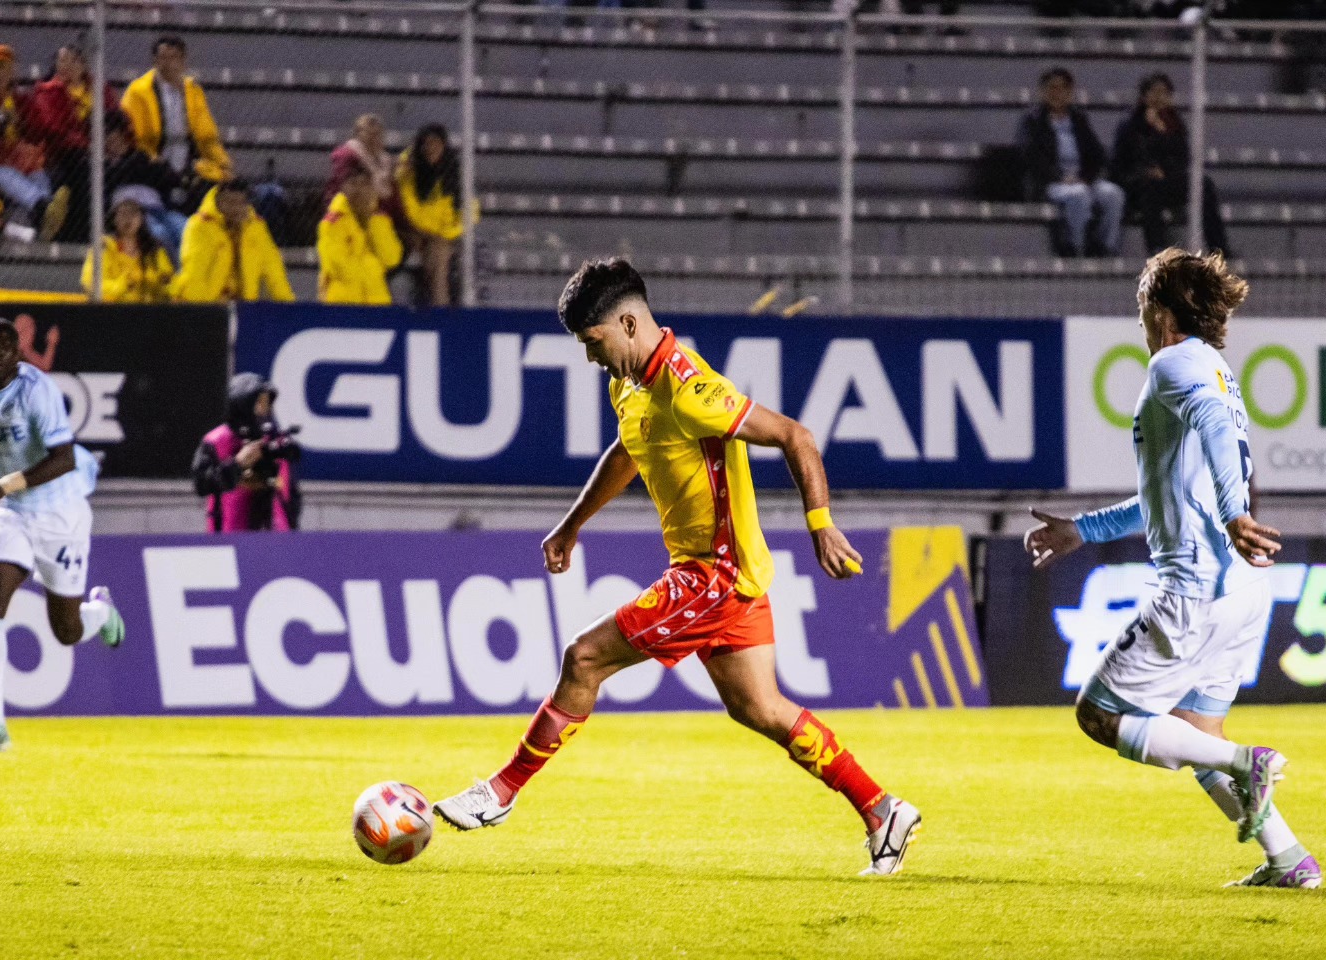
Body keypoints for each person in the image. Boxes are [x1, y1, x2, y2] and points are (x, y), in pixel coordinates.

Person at [434, 258, 921, 877]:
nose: (591, 359)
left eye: (593, 342)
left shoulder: (690, 389)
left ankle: (499, 793)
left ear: (629, 323)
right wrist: (573, 523)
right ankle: (883, 811)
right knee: (759, 707)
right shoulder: (629, 382)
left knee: (584, 658)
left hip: (713, 574)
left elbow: (796, 435)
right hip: (721, 575)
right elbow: (630, 452)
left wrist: (821, 527)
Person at [1024, 249, 1321, 890]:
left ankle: (1250, 761)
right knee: (1191, 732)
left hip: (1194, 590)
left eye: (1140, 308)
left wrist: (1237, 512)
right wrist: (1084, 529)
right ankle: (1289, 859)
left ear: (1160, 313)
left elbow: (1212, 429)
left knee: (1100, 713)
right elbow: (1168, 496)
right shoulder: (1214, 369)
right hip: (1242, 589)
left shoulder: (1172, 363)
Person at [0, 318, 125, 752]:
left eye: (7, 348)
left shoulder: (36, 390)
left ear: (17, 354)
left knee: (65, 629)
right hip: (12, 512)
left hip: (60, 513)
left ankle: (99, 613)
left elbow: (63, 458)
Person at [1112, 73, 1230, 257]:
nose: (1159, 98)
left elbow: (1182, 158)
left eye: (1164, 93)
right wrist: (1147, 168)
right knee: (1150, 187)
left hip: (1167, 181)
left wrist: (1161, 132)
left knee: (1203, 184)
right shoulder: (1130, 125)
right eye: (1155, 92)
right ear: (1144, 96)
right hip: (1139, 182)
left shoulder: (1175, 125)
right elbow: (1124, 162)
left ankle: (1219, 247)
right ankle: (1156, 248)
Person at [0, 44, 69, 241]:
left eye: (3, 67)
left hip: (20, 160)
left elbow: (38, 132)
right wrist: (7, 150)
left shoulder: (19, 99)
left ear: (12, 70)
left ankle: (45, 218)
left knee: (36, 171)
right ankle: (43, 207)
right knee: (2, 173)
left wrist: (20, 124)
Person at [1016, 67, 1125, 257]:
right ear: (1042, 91)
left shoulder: (1078, 119)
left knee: (1113, 194)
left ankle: (1103, 246)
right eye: (1052, 88)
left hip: (1080, 178)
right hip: (1049, 181)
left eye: (1062, 88)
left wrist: (1085, 178)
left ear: (1070, 92)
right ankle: (1075, 245)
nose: (1057, 93)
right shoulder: (1032, 121)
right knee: (1078, 195)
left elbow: (1097, 155)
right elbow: (1031, 157)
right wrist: (1060, 177)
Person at [120, 35, 231, 214]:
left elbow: (207, 135)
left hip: (189, 165)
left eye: (174, 57)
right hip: (153, 163)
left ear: (183, 61)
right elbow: (132, 138)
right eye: (163, 58)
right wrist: (157, 162)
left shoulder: (193, 91)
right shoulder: (138, 92)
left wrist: (224, 165)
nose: (169, 63)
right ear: (155, 60)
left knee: (219, 188)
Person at [30, 44, 118, 242]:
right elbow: (53, 128)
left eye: (73, 60)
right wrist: (88, 145)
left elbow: (115, 119)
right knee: (84, 168)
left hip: (98, 151)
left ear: (83, 64)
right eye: (62, 60)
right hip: (61, 155)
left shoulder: (99, 89)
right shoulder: (47, 91)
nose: (67, 65)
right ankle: (76, 234)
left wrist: (108, 144)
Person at [192, 373, 301, 532]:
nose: (265, 411)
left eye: (267, 404)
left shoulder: (276, 443)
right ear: (243, 406)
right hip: (227, 542)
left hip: (277, 543)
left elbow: (291, 497)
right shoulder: (215, 442)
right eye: (259, 404)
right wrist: (237, 464)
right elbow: (201, 485)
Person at [170, 179, 294, 303]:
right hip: (207, 304)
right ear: (218, 200)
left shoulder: (256, 226)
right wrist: (198, 313)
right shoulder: (200, 226)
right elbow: (195, 274)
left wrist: (289, 309)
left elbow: (274, 270)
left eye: (240, 203)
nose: (236, 209)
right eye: (230, 202)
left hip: (243, 308)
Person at [396, 124, 473, 307]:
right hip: (412, 231)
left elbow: (470, 211)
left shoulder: (453, 169)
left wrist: (447, 233)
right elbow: (409, 209)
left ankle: (439, 308)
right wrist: (432, 232)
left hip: (444, 235)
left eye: (436, 143)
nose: (431, 148)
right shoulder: (408, 169)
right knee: (436, 253)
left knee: (438, 253)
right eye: (426, 143)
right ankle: (439, 309)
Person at [101, 110, 187, 259]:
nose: (113, 144)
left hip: (159, 209)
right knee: (160, 234)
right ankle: (175, 275)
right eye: (109, 140)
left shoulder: (141, 156)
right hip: (135, 212)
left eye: (117, 139)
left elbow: (165, 178)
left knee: (184, 228)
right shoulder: (103, 166)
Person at [317, 161, 402, 305]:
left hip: (377, 303)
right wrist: (372, 268)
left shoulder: (380, 219)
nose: (359, 189)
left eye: (365, 184)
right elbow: (338, 267)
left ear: (372, 189)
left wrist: (372, 220)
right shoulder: (332, 223)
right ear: (343, 188)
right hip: (342, 304)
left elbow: (391, 258)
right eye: (353, 183)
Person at [81, 186, 174, 302]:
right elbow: (89, 282)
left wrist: (156, 283)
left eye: (133, 213)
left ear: (142, 218)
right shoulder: (104, 246)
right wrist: (123, 285)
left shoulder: (154, 248)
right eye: (122, 213)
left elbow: (168, 286)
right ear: (114, 218)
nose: (127, 219)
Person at [325, 113, 399, 220]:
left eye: (377, 134)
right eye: (369, 133)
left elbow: (393, 197)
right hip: (347, 216)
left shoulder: (386, 161)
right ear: (358, 134)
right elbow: (342, 188)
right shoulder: (346, 155)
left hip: (379, 217)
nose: (374, 138)